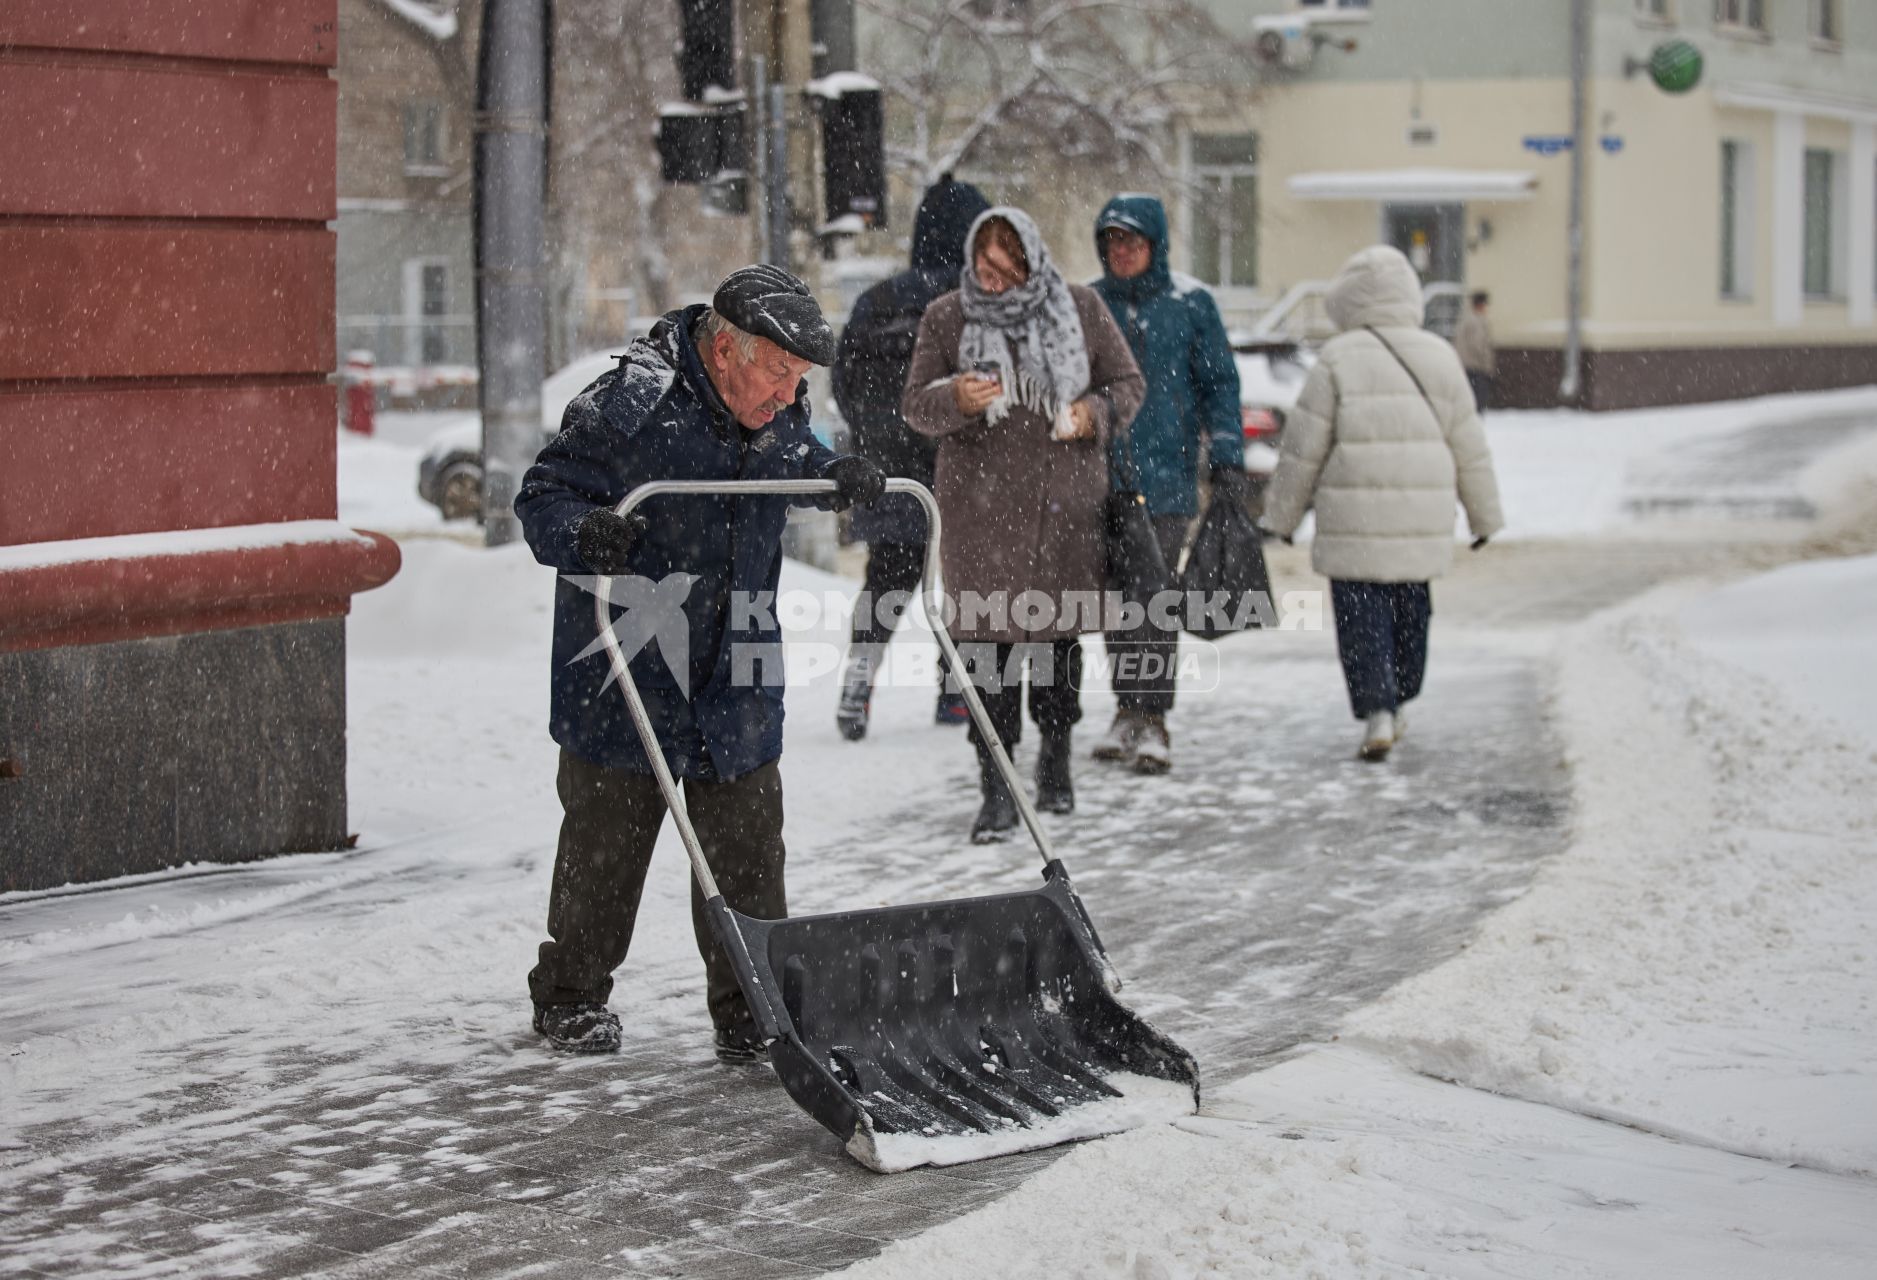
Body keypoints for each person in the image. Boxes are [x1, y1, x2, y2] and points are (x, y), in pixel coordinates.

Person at [514, 265, 885, 1061]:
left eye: (799, 379)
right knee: (605, 849)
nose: (790, 394)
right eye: (778, 373)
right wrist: (584, 531)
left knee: (749, 851)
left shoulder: (775, 403)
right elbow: (541, 496)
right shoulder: (629, 405)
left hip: (734, 669)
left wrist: (833, 477)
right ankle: (571, 996)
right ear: (724, 351)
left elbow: (789, 458)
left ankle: (754, 1012)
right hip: (627, 667)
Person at [902, 208, 1146, 842]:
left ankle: (1056, 763)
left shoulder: (1082, 307)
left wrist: (1091, 414)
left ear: (1033, 263)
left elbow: (1128, 384)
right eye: (985, 272)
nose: (996, 286)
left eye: (1009, 273)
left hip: (1063, 510)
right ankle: (997, 787)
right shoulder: (947, 315)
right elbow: (916, 406)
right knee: (986, 655)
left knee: (1057, 648)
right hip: (978, 514)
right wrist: (955, 397)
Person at [1257, 246, 1503, 762]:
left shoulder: (1338, 359)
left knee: (1361, 616)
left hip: (1354, 517)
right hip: (1419, 516)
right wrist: (1484, 516)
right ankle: (1403, 693)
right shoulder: (1438, 356)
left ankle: (1378, 710)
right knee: (1411, 607)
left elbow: (1304, 450)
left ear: (1346, 302)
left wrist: (1280, 517)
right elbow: (1469, 445)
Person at [830, 174, 991, 740]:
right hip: (963, 464)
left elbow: (843, 384)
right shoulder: (979, 304)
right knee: (967, 582)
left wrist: (874, 438)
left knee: (888, 580)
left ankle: (859, 675)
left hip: (888, 467)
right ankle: (955, 691)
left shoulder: (878, 300)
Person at [1088, 194, 1244, 775]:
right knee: (1114, 603)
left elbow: (1219, 383)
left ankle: (1154, 718)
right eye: (1111, 242)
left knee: (1153, 600)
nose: (1120, 252)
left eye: (1131, 241)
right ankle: (1125, 709)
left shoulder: (1190, 305)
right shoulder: (1090, 303)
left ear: (1154, 245)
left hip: (1167, 478)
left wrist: (1226, 452)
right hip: (1100, 480)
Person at [1454, 290, 1496, 414]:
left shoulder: (1464, 319)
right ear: (1480, 305)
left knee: (1468, 401)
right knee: (1477, 402)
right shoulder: (1477, 321)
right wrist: (1487, 364)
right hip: (1475, 367)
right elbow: (1478, 345)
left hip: (1464, 365)